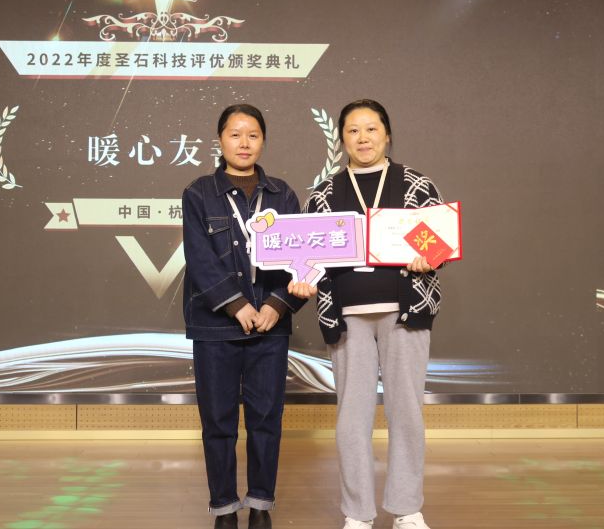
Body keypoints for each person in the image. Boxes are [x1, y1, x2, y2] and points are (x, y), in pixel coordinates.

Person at [293, 99, 445, 529]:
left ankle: (407, 509)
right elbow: (308, 256)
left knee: (406, 412)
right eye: (353, 130)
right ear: (341, 139)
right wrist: (302, 277)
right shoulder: (324, 194)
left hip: (405, 313)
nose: (363, 138)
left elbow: (439, 244)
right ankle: (357, 513)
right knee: (352, 416)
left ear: (387, 134)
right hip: (346, 316)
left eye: (372, 129)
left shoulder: (415, 184)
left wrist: (428, 257)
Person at [183, 104, 307, 529]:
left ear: (263, 141)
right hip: (216, 326)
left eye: (253, 135)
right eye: (235, 134)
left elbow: (300, 258)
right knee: (218, 422)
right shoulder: (198, 193)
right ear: (220, 140)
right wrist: (237, 305)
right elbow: (200, 259)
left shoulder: (282, 195)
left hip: (270, 326)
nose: (244, 143)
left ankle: (260, 504)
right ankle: (223, 508)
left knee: (266, 419)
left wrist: (277, 304)